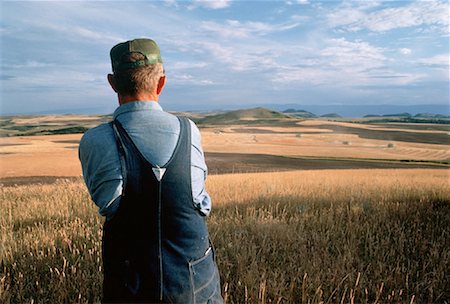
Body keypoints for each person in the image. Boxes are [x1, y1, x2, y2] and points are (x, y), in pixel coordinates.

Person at [79, 38, 223, 304]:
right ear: (161, 83)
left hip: (129, 287)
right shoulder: (189, 131)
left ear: (112, 83)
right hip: (195, 288)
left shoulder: (95, 141)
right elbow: (201, 204)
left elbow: (107, 204)